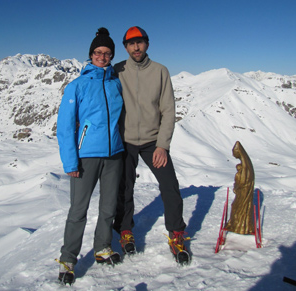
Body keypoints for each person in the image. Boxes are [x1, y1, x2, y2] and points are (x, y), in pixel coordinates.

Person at [113, 26, 190, 264]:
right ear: (125, 47)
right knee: (124, 188)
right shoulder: (117, 71)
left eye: (140, 42)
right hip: (125, 141)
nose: (136, 47)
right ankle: (125, 230)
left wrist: (162, 145)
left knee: (170, 186)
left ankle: (176, 234)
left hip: (153, 142)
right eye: (131, 43)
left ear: (147, 44)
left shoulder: (160, 71)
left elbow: (168, 111)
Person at [56, 27, 124, 285]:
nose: (102, 57)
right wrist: (71, 162)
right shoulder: (78, 85)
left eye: (107, 53)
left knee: (108, 208)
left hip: (114, 154)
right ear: (90, 54)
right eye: (98, 52)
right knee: (78, 210)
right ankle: (68, 259)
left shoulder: (116, 82)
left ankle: (102, 248)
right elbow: (64, 127)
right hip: (86, 157)